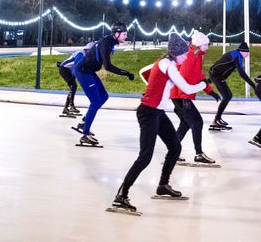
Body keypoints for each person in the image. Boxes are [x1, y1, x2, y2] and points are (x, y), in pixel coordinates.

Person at [111, 34, 208, 214]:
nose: (187, 56)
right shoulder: (169, 66)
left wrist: (153, 88)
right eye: (184, 54)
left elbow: (144, 72)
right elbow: (186, 88)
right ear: (176, 53)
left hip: (157, 112)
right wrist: (203, 84)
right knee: (145, 157)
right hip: (148, 113)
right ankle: (121, 195)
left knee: (175, 147)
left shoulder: (164, 62)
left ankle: (163, 185)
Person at [72, 22, 134, 146]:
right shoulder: (106, 43)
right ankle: (85, 135)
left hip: (89, 71)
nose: (126, 37)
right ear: (116, 34)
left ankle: (84, 123)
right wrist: (126, 73)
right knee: (95, 102)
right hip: (83, 71)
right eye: (124, 34)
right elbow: (108, 66)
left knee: (104, 97)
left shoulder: (110, 42)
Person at [170, 31, 221, 165]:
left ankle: (172, 153)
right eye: (206, 45)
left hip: (179, 95)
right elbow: (182, 78)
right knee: (197, 122)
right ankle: (198, 154)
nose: (208, 47)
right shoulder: (191, 56)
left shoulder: (197, 56)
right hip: (180, 95)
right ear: (199, 45)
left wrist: (210, 92)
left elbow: (199, 76)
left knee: (186, 124)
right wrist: (185, 99)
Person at [208, 42, 258, 130]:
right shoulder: (237, 56)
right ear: (243, 51)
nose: (248, 54)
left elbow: (221, 63)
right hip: (216, 75)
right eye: (247, 52)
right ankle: (216, 119)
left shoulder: (235, 54)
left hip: (217, 74)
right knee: (227, 96)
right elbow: (242, 74)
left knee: (228, 96)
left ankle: (218, 118)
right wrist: (253, 85)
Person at [56, 41, 94, 116]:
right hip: (65, 69)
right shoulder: (81, 54)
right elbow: (76, 66)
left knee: (73, 87)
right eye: (92, 51)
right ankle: (71, 106)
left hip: (68, 69)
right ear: (88, 50)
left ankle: (66, 108)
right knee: (73, 86)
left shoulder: (84, 54)